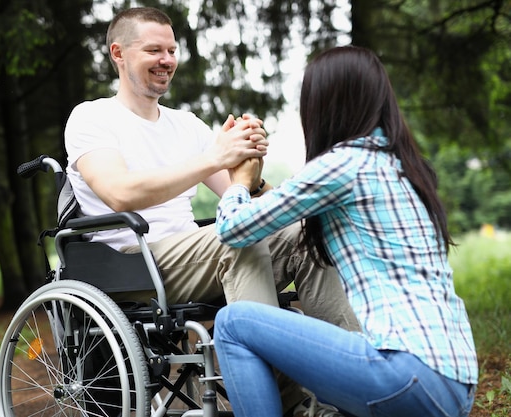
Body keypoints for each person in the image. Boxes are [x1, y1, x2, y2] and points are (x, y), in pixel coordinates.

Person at [64, 7, 358, 415]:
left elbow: (244, 200)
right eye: (153, 50)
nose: (167, 60)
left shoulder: (187, 125)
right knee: (236, 240)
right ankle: (282, 408)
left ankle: (348, 393)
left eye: (171, 50)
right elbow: (119, 194)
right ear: (118, 53)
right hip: (130, 262)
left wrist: (250, 168)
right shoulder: (92, 117)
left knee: (305, 237)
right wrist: (214, 157)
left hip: (190, 254)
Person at [213, 45, 478, 417]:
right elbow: (293, 212)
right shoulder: (404, 166)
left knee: (232, 323)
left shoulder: (343, 165)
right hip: (455, 382)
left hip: (406, 374)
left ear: (323, 104)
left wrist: (239, 183)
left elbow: (233, 229)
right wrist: (258, 187)